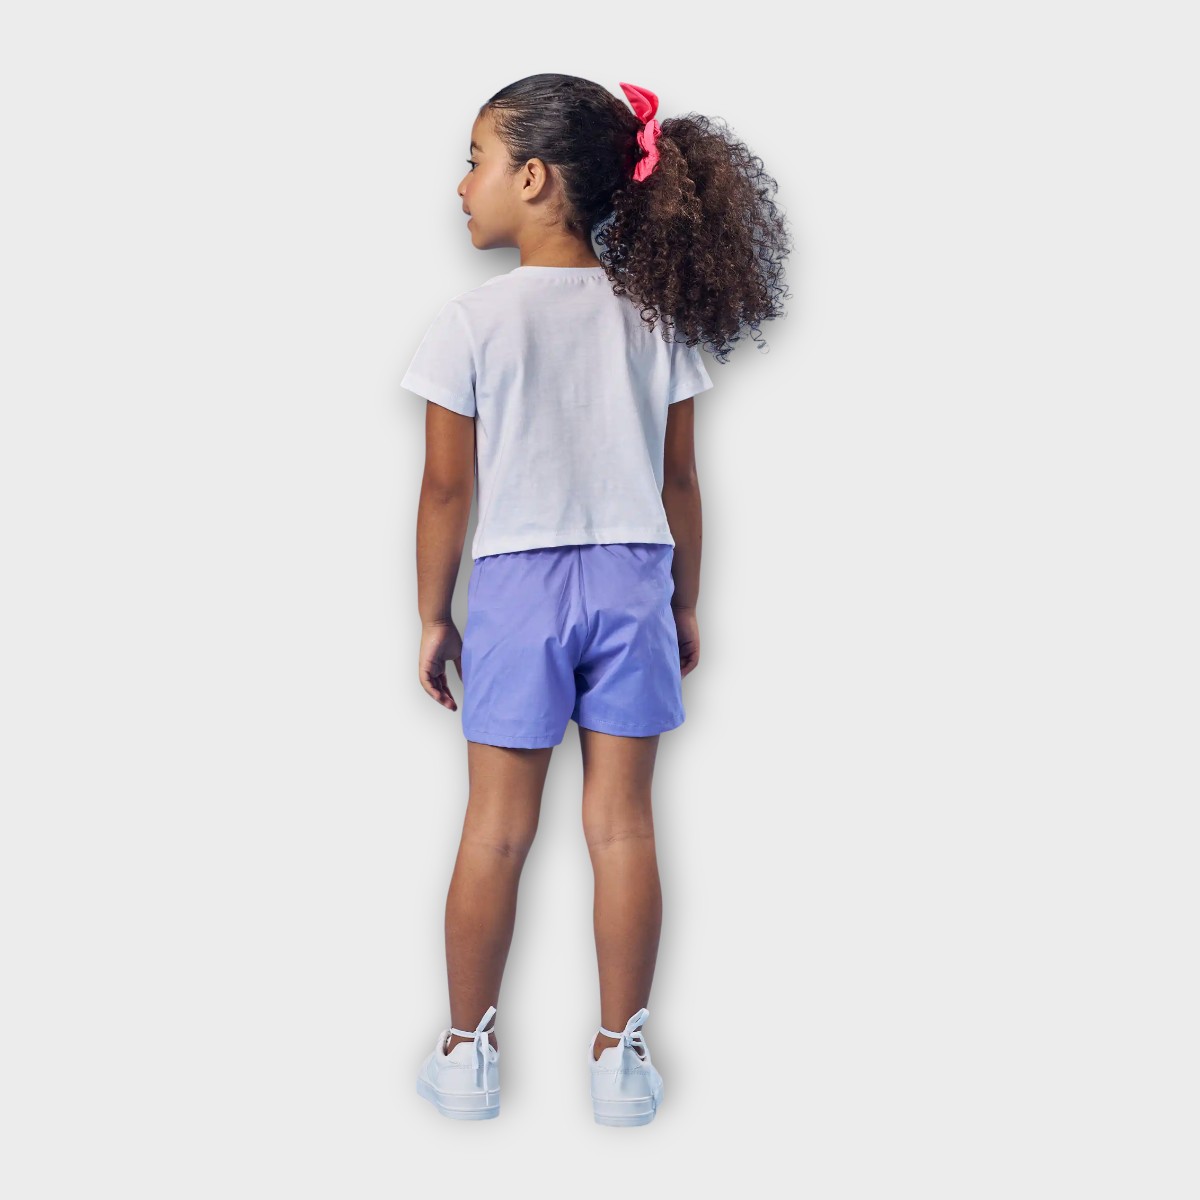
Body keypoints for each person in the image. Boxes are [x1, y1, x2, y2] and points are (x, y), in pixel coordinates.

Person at [405, 74, 791, 1124]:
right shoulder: (653, 319)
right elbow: (681, 483)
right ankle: (621, 1059)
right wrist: (685, 603)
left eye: (476, 161)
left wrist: (435, 615)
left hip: (517, 586)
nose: (462, 185)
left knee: (495, 831)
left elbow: (446, 490)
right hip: (633, 578)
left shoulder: (468, 324)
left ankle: (465, 1053)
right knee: (622, 829)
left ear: (533, 178)